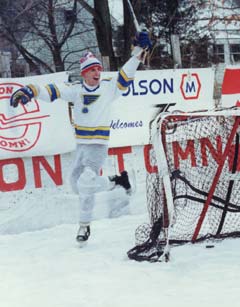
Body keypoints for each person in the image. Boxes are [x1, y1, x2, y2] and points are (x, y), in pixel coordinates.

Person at [9, 31, 153, 245]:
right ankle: (117, 181)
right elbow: (53, 91)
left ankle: (84, 225)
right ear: (84, 73)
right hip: (82, 146)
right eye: (92, 69)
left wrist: (137, 54)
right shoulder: (76, 90)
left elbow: (125, 75)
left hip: (98, 146)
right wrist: (31, 91)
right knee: (76, 186)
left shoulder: (108, 88)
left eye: (98, 69)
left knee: (86, 183)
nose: (97, 72)